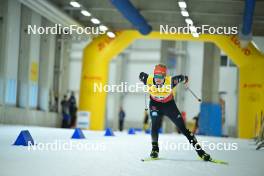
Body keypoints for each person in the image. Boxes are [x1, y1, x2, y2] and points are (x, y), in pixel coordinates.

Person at [139, 64, 211, 161]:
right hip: (155, 104)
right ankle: (155, 150)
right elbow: (141, 75)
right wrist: (141, 78)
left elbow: (181, 77)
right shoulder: (148, 79)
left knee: (183, 128)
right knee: (154, 125)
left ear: (165, 76)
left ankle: (200, 152)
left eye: (160, 77)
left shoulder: (171, 81)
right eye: (156, 76)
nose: (158, 79)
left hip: (169, 105)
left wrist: (185, 79)